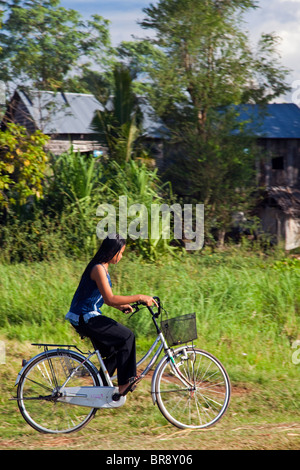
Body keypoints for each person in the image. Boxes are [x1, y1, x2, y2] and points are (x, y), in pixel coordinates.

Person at [65, 233, 157, 395]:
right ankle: (124, 384)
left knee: (114, 350)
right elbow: (110, 298)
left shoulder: (103, 267)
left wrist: (121, 307)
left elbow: (100, 296)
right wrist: (141, 297)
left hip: (87, 315)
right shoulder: (98, 269)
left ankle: (99, 391)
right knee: (127, 336)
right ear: (111, 251)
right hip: (84, 317)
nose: (121, 256)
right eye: (120, 252)